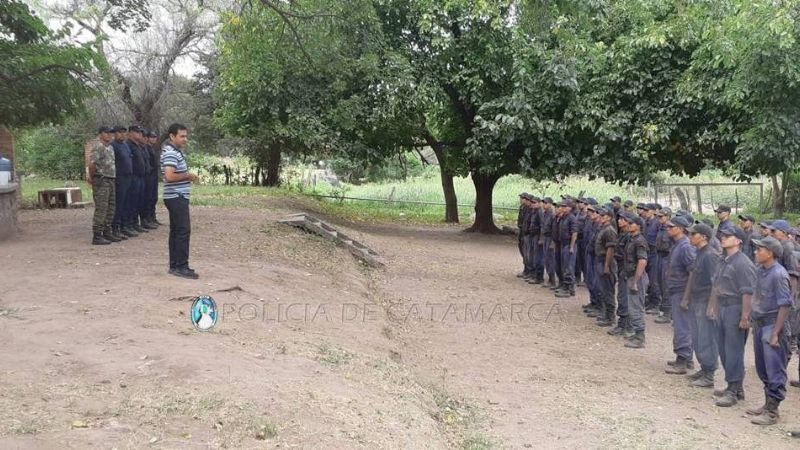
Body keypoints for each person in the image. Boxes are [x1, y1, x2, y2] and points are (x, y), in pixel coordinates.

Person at [746, 237, 792, 426]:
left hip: (773, 325)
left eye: (760, 249)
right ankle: (767, 404)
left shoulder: (779, 274)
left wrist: (775, 333)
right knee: (762, 367)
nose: (756, 252)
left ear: (770, 253)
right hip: (760, 323)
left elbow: (785, 305)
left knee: (774, 370)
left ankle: (772, 411)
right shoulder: (761, 270)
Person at [709, 227, 756, 407]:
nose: (723, 238)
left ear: (738, 241)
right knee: (723, 348)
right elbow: (716, 284)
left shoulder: (743, 263)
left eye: (728, 236)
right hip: (723, 306)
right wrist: (713, 306)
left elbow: (748, 292)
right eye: (723, 236)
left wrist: (745, 317)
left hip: (735, 308)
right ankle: (735, 386)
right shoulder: (724, 260)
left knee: (733, 350)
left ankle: (733, 390)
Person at [684, 223, 721, 388]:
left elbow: (716, 283)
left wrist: (711, 306)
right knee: (698, 337)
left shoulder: (710, 255)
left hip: (705, 300)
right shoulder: (699, 253)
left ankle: (709, 374)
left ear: (703, 237)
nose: (690, 237)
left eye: (693, 234)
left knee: (706, 337)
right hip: (697, 299)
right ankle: (704, 368)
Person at [161, 123, 200, 279]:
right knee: (183, 231)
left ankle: (175, 265)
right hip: (176, 197)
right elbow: (169, 176)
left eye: (186, 136)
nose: (185, 139)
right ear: (172, 136)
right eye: (182, 136)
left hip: (176, 196)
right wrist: (188, 176)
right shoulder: (171, 153)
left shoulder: (174, 151)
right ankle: (181, 266)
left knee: (176, 231)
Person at [665, 215, 697, 374]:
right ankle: (687, 358)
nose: (667, 229)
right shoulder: (678, 244)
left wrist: (686, 296)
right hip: (677, 289)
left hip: (681, 290)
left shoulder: (685, 247)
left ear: (680, 229)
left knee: (682, 326)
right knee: (682, 324)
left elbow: (693, 272)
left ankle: (682, 360)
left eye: (671, 227)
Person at [87, 126, 119, 245]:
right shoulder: (98, 147)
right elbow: (92, 164)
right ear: (100, 134)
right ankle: (97, 235)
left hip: (111, 179)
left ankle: (107, 231)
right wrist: (92, 177)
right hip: (101, 180)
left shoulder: (110, 147)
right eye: (106, 133)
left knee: (111, 207)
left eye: (111, 133)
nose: (109, 135)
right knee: (102, 208)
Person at [621, 212, 649, 348]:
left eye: (631, 223)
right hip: (631, 275)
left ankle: (640, 336)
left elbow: (642, 261)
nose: (628, 225)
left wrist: (636, 281)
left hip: (636, 277)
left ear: (638, 226)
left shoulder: (639, 241)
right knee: (632, 306)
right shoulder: (631, 238)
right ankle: (637, 333)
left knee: (636, 307)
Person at [608, 214, 632, 337]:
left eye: (623, 219)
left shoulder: (629, 237)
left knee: (624, 297)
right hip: (621, 267)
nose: (619, 221)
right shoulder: (622, 234)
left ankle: (625, 325)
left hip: (626, 268)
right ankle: (623, 324)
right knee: (622, 296)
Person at [594, 207, 618, 327]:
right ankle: (606, 314)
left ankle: (610, 317)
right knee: (603, 290)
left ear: (609, 217)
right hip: (600, 260)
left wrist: (606, 266)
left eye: (603, 216)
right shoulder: (603, 229)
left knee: (608, 290)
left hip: (606, 261)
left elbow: (610, 249)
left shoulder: (609, 230)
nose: (600, 217)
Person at [111, 126, 135, 238]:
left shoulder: (125, 145)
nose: (122, 135)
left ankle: (125, 226)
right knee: (119, 204)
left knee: (127, 203)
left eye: (124, 132)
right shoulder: (113, 146)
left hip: (128, 178)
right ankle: (115, 228)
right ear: (114, 134)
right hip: (119, 178)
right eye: (119, 132)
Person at [127, 125, 149, 234]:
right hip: (133, 177)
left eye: (140, 132)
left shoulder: (138, 146)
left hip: (141, 177)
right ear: (130, 133)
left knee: (139, 201)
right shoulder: (129, 145)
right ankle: (129, 224)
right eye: (137, 132)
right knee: (132, 202)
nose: (139, 134)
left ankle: (135, 223)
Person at [555, 199, 579, 298]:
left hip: (569, 244)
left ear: (570, 207)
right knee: (564, 266)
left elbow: (574, 233)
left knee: (568, 267)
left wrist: (572, 247)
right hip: (563, 244)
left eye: (565, 207)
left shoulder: (572, 218)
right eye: (562, 206)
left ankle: (569, 289)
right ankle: (567, 287)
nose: (563, 208)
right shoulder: (563, 217)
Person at [654, 208, 673, 322]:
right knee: (660, 282)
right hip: (659, 256)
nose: (659, 218)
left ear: (668, 216)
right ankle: (664, 308)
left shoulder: (671, 230)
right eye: (658, 216)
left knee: (666, 284)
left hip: (667, 257)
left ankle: (667, 312)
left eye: (661, 217)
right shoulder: (660, 228)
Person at [143, 130, 161, 228]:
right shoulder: (146, 148)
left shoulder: (153, 148)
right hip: (148, 176)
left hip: (154, 176)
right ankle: (147, 219)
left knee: (154, 197)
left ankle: (152, 217)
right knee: (149, 198)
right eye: (152, 137)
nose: (153, 139)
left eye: (155, 137)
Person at [526, 196, 544, 284]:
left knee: (537, 257)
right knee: (532, 255)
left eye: (534, 203)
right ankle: (533, 274)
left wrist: (541, 238)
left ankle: (539, 277)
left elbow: (542, 226)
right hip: (533, 235)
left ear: (539, 203)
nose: (533, 204)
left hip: (537, 235)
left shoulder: (540, 212)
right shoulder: (534, 211)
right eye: (532, 202)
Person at [540, 198, 557, 289]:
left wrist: (553, 241)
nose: (544, 205)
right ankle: (550, 278)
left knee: (550, 259)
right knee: (546, 259)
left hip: (550, 238)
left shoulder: (552, 215)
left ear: (550, 204)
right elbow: (543, 227)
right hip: (546, 237)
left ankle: (552, 279)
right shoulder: (544, 213)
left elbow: (554, 229)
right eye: (543, 203)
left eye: (546, 203)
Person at [516, 193, 531, 278]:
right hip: (522, 231)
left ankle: (528, 270)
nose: (521, 200)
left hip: (527, 233)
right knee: (522, 249)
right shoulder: (522, 208)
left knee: (527, 252)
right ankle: (526, 269)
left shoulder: (529, 209)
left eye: (522, 198)